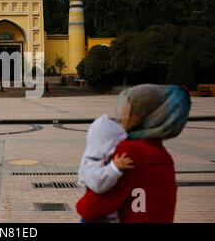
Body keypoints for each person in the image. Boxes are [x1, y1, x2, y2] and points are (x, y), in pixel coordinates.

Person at [76, 84, 191, 223]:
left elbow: (92, 208)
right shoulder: (164, 156)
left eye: (128, 107)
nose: (123, 112)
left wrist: (82, 205)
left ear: (143, 115)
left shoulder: (131, 151)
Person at [77, 114, 133, 222]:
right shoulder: (91, 162)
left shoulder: (98, 159)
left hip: (105, 213)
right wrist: (115, 168)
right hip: (97, 217)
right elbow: (97, 183)